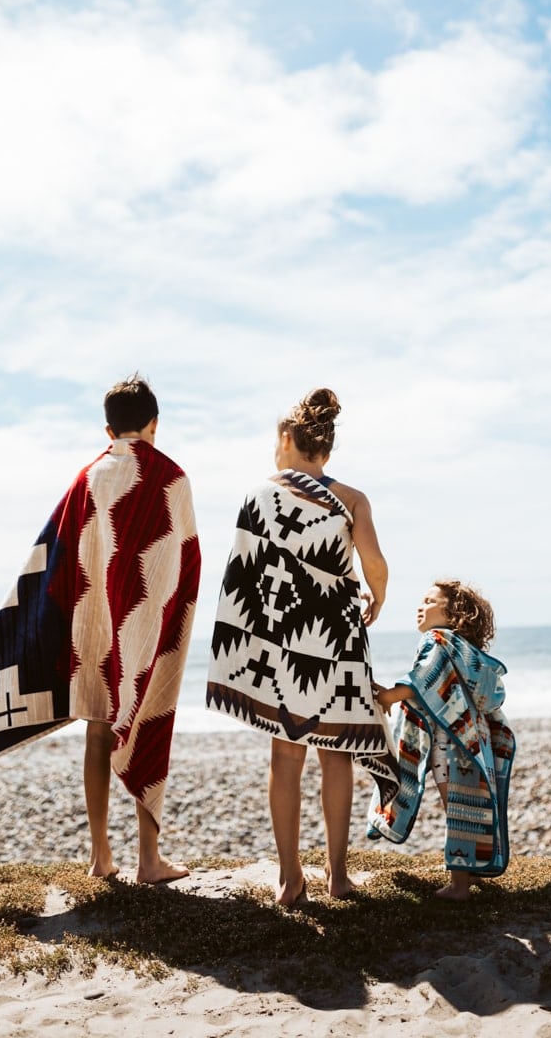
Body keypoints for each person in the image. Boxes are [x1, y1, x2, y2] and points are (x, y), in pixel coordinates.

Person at [0, 375, 201, 884]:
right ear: (155, 424)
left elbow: (55, 561)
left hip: (92, 630)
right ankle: (149, 860)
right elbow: (182, 561)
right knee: (149, 726)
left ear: (107, 427)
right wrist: (160, 621)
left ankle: (100, 857)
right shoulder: (172, 478)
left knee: (98, 730)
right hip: (143, 631)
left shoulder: (86, 478)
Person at [206, 388, 399, 906]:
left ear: (287, 439)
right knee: (336, 756)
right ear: (327, 452)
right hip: (336, 642)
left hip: (281, 643)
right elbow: (374, 563)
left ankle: (292, 878)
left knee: (285, 755)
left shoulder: (258, 496)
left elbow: (243, 578)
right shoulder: (351, 499)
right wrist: (376, 598)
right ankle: (337, 875)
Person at [369, 580, 515, 901]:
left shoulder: (436, 640)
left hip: (450, 745)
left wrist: (392, 694)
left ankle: (459, 886)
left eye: (429, 601)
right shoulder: (468, 653)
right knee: (469, 806)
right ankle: (472, 873)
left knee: (457, 810)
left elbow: (424, 676)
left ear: (454, 613)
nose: (420, 606)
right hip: (475, 742)